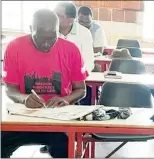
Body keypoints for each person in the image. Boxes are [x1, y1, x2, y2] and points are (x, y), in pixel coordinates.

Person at [1, 9, 88, 158]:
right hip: (24, 117)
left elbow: (81, 89)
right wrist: (24, 98)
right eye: (40, 38)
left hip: (59, 119)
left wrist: (65, 99)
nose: (47, 44)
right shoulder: (14, 48)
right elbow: (10, 89)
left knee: (66, 150)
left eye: (52, 37)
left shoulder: (71, 50)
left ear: (57, 30)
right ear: (30, 29)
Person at [54, 2, 94, 106]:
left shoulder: (84, 33)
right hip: (54, 82)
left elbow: (88, 62)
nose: (54, 18)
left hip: (76, 82)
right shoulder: (50, 31)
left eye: (58, 15)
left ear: (70, 20)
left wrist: (74, 79)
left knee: (83, 92)